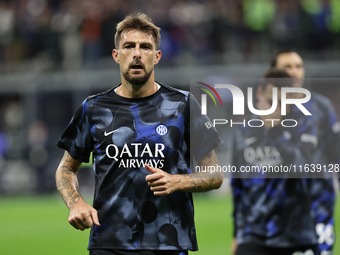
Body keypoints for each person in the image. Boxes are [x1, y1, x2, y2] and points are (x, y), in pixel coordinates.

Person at [55, 13, 223, 255]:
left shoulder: (183, 105)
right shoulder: (94, 108)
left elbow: (215, 174)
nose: (136, 53)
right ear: (116, 55)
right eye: (128, 46)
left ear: (156, 57)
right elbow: (65, 168)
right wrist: (76, 203)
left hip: (168, 243)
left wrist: (178, 181)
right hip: (109, 242)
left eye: (145, 47)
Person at [231, 68, 319, 255]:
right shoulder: (242, 132)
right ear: (259, 94)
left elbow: (303, 170)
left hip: (295, 234)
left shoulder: (304, 127)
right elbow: (238, 188)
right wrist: (236, 234)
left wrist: (277, 131)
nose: (274, 109)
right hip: (254, 235)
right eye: (270, 102)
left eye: (281, 103)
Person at [271, 49, 339, 255]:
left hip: (318, 203)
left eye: (298, 66)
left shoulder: (321, 107)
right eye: (287, 67)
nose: (294, 72)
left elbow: (335, 152)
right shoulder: (262, 112)